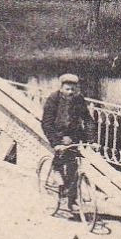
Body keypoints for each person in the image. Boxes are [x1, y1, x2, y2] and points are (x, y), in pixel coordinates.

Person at [41, 73, 93, 217]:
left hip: (73, 137)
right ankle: (59, 186)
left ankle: (71, 201)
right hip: (58, 136)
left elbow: (87, 119)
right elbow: (46, 123)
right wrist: (56, 143)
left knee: (74, 168)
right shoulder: (53, 99)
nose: (70, 92)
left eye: (73, 89)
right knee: (60, 164)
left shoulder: (79, 100)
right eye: (67, 89)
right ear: (61, 88)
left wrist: (91, 138)